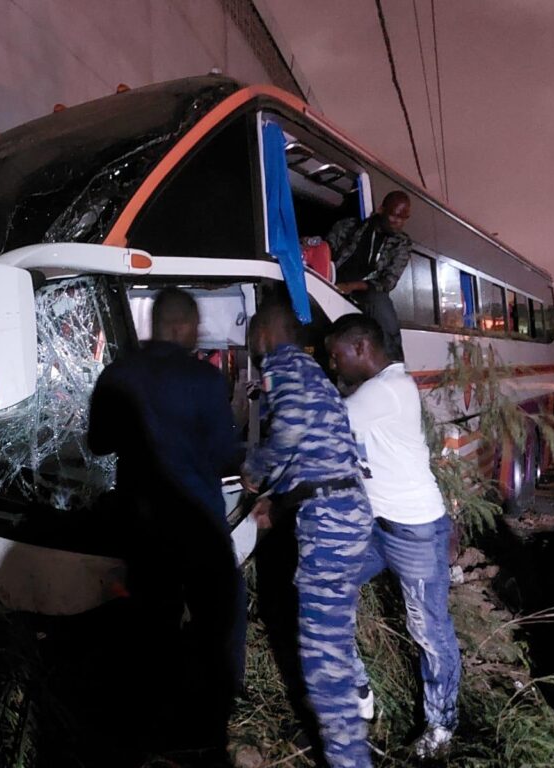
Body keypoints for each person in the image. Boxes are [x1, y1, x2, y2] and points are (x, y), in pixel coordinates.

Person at [88, 287, 246, 762]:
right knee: (222, 615)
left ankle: (149, 725)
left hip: (141, 524)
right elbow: (222, 455)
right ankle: (211, 720)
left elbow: (98, 443)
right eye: (195, 325)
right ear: (180, 327)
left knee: (152, 619)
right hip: (196, 521)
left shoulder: (116, 374)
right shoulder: (204, 378)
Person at [242, 289, 373, 768]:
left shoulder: (282, 366)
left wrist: (255, 473)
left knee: (322, 659)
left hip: (330, 523)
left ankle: (349, 756)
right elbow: (315, 450)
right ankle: (357, 712)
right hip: (349, 512)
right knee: (334, 631)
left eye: (253, 336)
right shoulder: (315, 373)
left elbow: (290, 434)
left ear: (265, 333)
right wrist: (278, 499)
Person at [326, 313, 461, 759]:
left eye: (336, 354)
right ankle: (359, 693)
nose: (333, 364)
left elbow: (323, 426)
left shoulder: (386, 390)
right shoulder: (372, 390)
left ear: (361, 348)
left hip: (417, 531)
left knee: (429, 631)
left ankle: (442, 728)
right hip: (378, 527)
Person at [326, 190, 412, 362]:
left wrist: (352, 286)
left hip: (366, 293)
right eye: (395, 216)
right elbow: (326, 249)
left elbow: (388, 281)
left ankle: (394, 363)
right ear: (381, 210)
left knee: (381, 302)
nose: (398, 223)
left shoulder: (402, 242)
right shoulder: (349, 227)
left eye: (404, 218)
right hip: (330, 285)